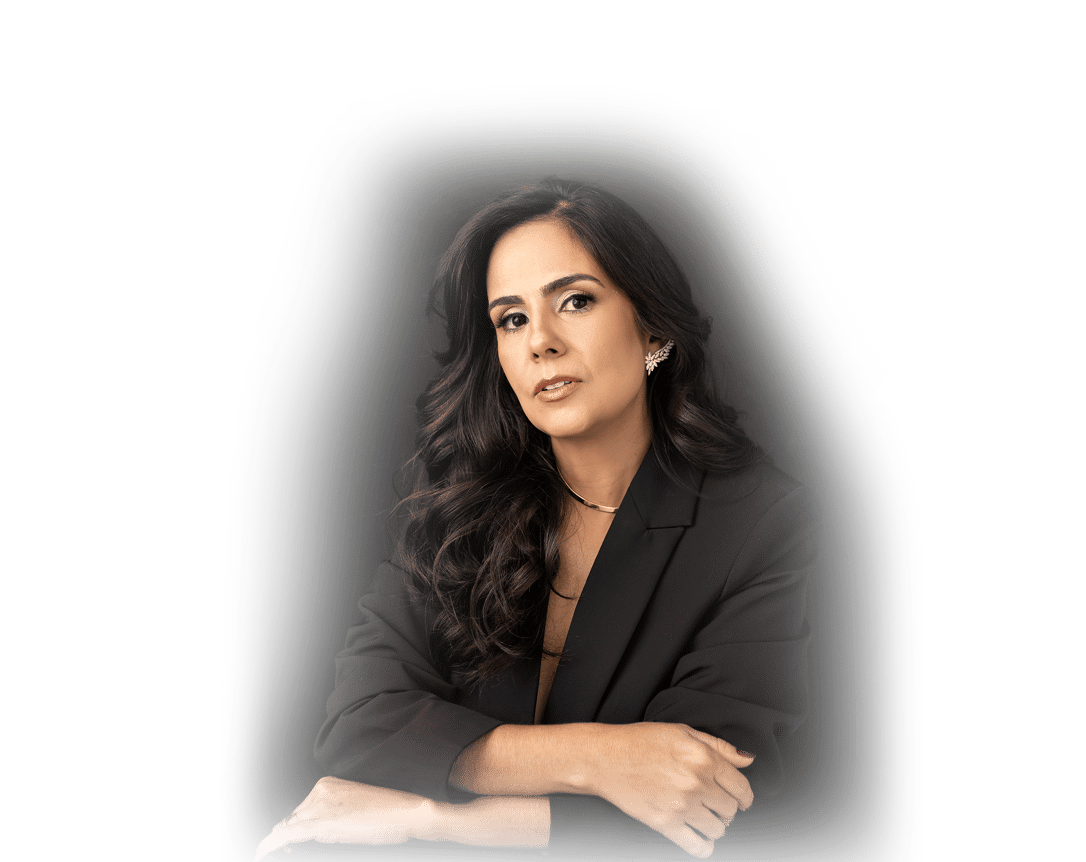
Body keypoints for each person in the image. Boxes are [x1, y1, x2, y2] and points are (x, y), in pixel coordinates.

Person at [255, 175, 818, 860]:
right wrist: (599, 758)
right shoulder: (456, 496)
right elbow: (360, 720)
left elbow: (701, 805)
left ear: (653, 325)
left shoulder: (755, 521)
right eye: (511, 319)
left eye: (575, 301)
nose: (540, 342)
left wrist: (429, 816)